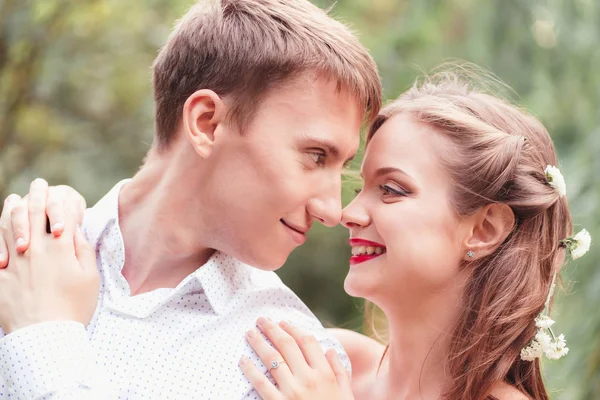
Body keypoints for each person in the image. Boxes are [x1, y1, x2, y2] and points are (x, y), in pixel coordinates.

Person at [0, 0, 381, 398]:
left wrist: (43, 336)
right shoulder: (22, 247)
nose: (333, 211)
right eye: (316, 156)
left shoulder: (290, 365)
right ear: (207, 123)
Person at [238, 70, 591, 400]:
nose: (348, 214)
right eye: (362, 186)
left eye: (391, 189)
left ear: (485, 229)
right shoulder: (328, 361)